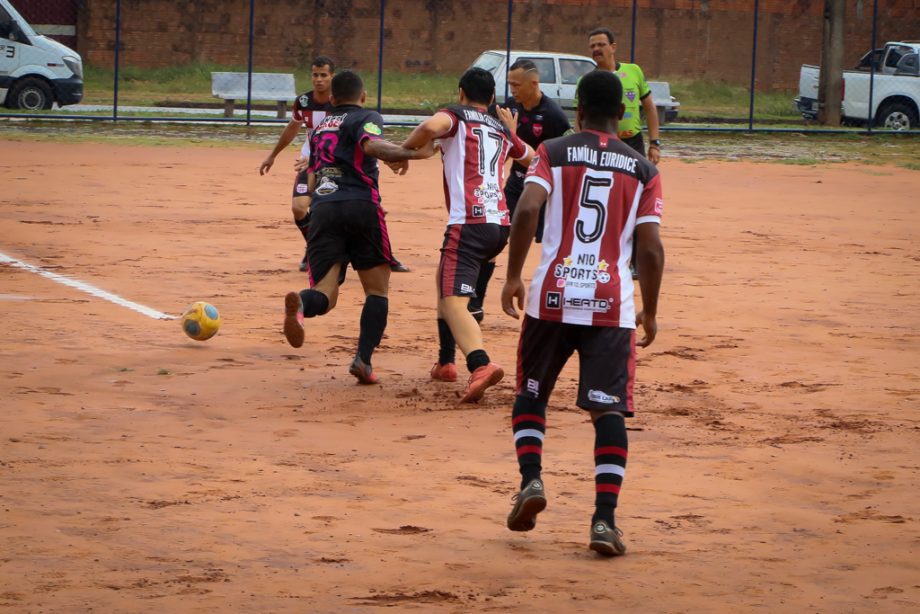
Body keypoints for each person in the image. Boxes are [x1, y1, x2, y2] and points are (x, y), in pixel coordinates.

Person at [500, 70, 665, 556]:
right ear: (621, 114)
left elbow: (528, 209)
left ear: (577, 109)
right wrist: (650, 310)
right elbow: (651, 249)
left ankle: (532, 480)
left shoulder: (552, 151)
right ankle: (603, 521)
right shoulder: (643, 170)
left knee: (531, 394)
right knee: (607, 408)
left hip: (551, 296)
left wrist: (513, 276)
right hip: (611, 304)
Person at [281, 71, 435, 385]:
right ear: (362, 96)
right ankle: (363, 360)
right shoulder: (367, 116)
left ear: (332, 99)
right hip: (361, 205)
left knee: (325, 294)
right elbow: (371, 145)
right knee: (377, 290)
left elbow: (316, 170)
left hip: (323, 209)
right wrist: (412, 153)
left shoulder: (320, 126)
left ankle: (301, 305)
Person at [397, 67, 533, 403]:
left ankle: (480, 364)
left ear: (460, 93)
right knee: (446, 283)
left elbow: (430, 127)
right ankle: (446, 362)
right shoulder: (500, 127)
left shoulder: (454, 116)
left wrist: (403, 152)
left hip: (469, 222)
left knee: (453, 300)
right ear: (490, 100)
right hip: (500, 224)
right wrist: (512, 134)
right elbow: (529, 157)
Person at [260, 56, 410, 274]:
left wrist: (389, 158)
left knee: (373, 208)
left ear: (332, 77)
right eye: (315, 75)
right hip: (312, 162)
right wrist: (273, 155)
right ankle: (314, 248)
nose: (318, 79)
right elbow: (293, 128)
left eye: (323, 75)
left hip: (344, 162)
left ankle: (386, 255)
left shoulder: (344, 104)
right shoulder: (303, 102)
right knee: (299, 207)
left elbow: (366, 140)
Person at [468, 59, 571, 322]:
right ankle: (475, 301)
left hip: (548, 190)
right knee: (495, 239)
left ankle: (558, 301)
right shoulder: (505, 108)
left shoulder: (554, 117)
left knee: (556, 245)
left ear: (534, 83)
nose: (512, 89)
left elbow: (556, 159)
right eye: (509, 83)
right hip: (516, 186)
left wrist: (513, 135)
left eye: (516, 84)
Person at [587, 27, 661, 279]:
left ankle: (637, 260)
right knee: (607, 200)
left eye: (600, 44)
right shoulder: (588, 80)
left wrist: (655, 143)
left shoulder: (633, 71)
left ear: (613, 46)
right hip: (605, 146)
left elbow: (650, 108)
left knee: (639, 200)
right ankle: (607, 255)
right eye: (592, 46)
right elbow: (580, 118)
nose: (596, 49)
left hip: (634, 144)